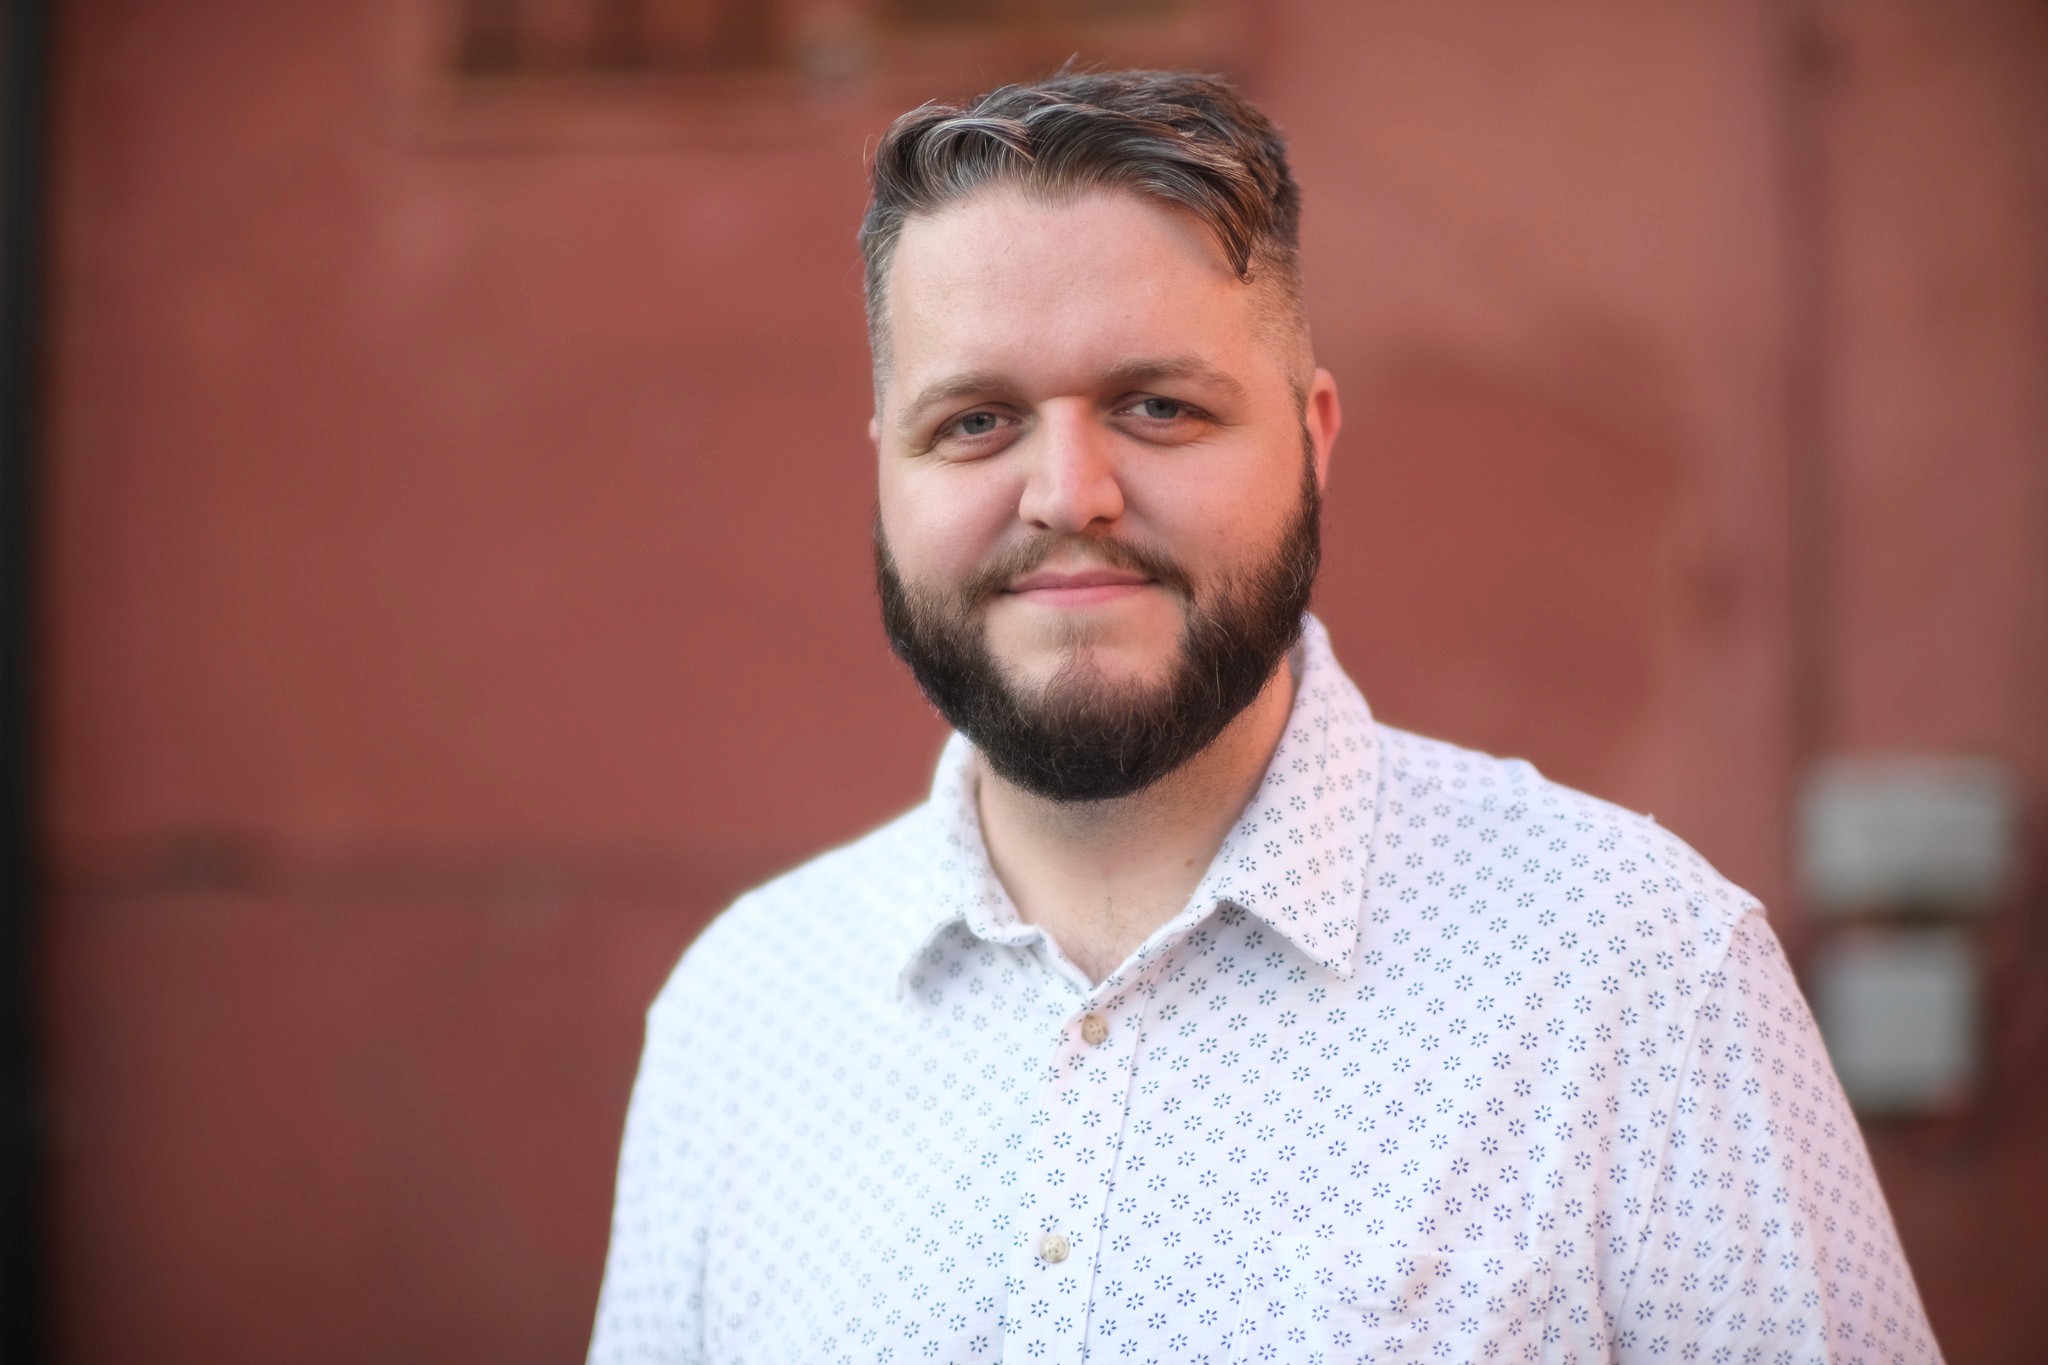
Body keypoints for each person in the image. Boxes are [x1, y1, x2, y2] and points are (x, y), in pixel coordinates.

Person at [587, 70, 1938, 1364]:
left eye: (1159, 406)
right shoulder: (740, 1011)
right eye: (978, 421)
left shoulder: (1634, 971)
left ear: (1315, 438)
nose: (1070, 492)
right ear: (885, 465)